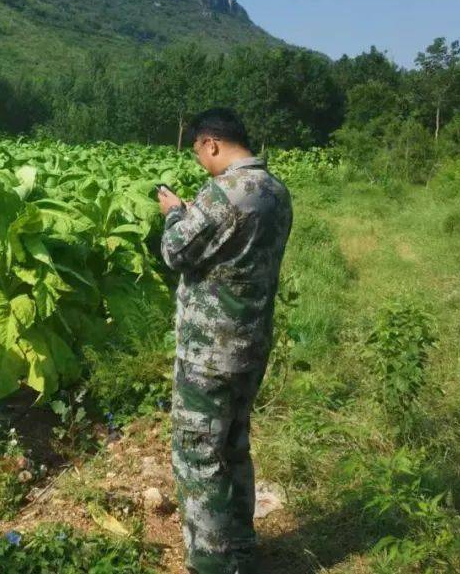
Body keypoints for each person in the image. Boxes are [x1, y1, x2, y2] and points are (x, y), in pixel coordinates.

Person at [158, 108, 293, 574]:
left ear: (211, 143)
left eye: (198, 151)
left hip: (210, 350)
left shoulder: (225, 192)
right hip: (251, 342)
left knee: (198, 452)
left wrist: (175, 213)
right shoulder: (276, 190)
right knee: (233, 445)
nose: (200, 161)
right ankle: (239, 549)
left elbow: (177, 251)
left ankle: (212, 563)